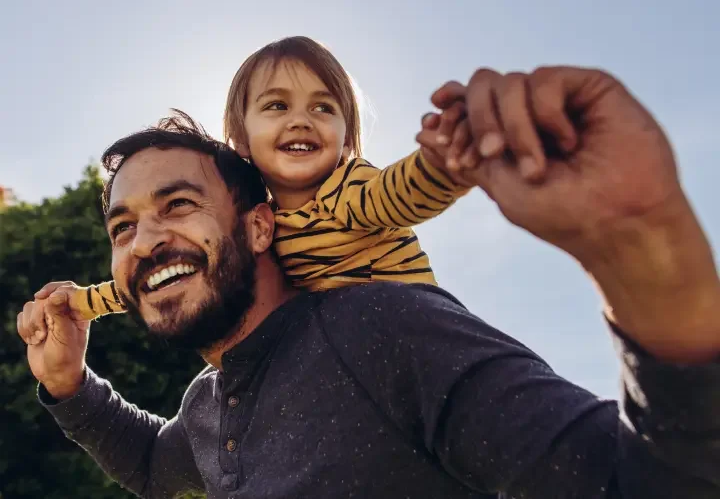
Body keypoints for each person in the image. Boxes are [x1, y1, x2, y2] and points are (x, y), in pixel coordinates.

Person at [17, 65, 720, 498]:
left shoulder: (379, 328)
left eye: (179, 205)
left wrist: (642, 247)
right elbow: (148, 464)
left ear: (261, 228)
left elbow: (646, 484)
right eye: (122, 228)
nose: (145, 242)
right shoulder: (207, 404)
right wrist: (68, 384)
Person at [65, 36, 477, 321]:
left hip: (421, 333)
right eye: (278, 105)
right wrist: (82, 303)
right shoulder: (262, 227)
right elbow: (164, 272)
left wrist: (442, 165)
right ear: (241, 138)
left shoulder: (347, 187)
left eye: (323, 108)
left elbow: (398, 193)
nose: (301, 120)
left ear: (347, 139)